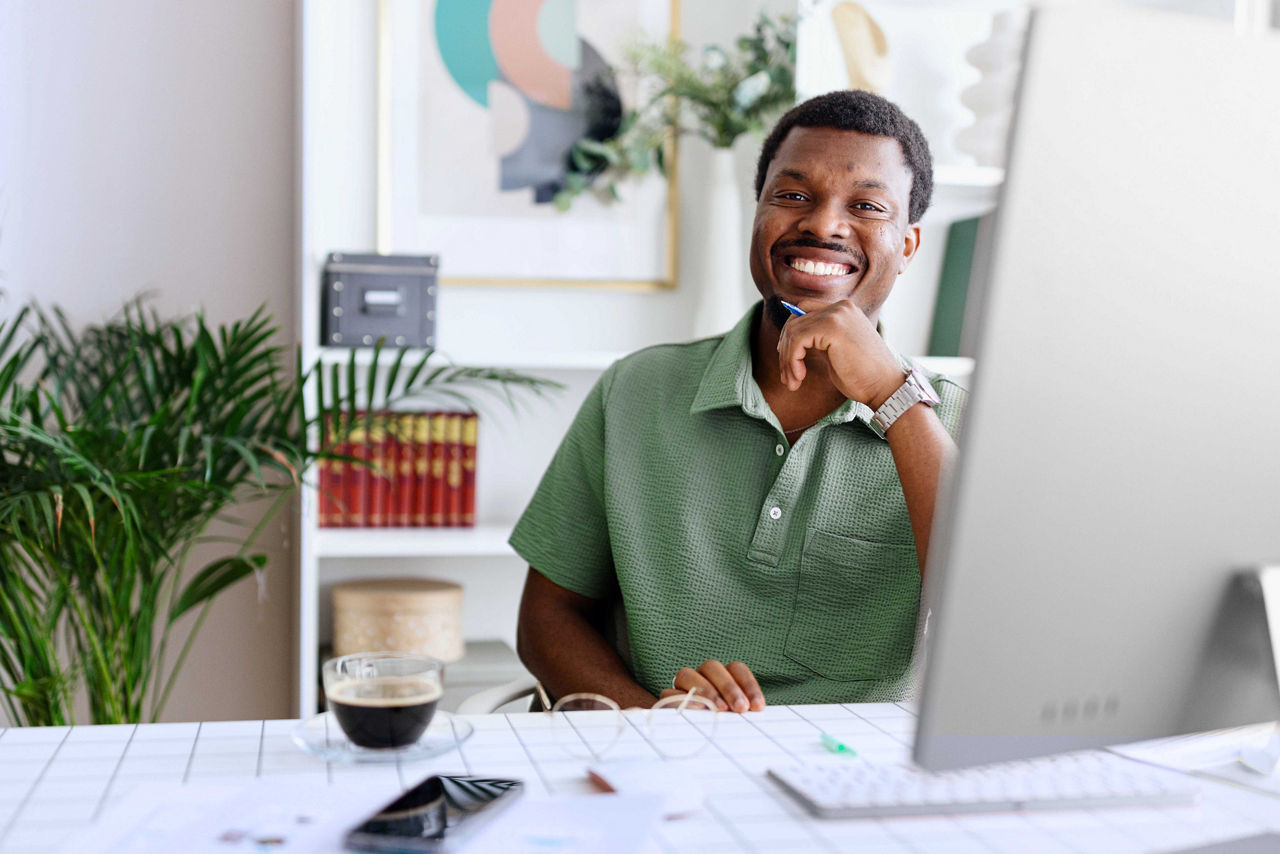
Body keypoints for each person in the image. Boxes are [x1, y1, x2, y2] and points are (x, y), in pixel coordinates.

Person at [510, 90, 966, 713]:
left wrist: (894, 398)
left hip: (855, 774)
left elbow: (990, 614)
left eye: (865, 205)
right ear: (758, 214)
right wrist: (658, 726)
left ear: (908, 246)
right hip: (662, 754)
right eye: (793, 195)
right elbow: (548, 616)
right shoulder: (636, 392)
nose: (824, 224)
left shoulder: (952, 422)